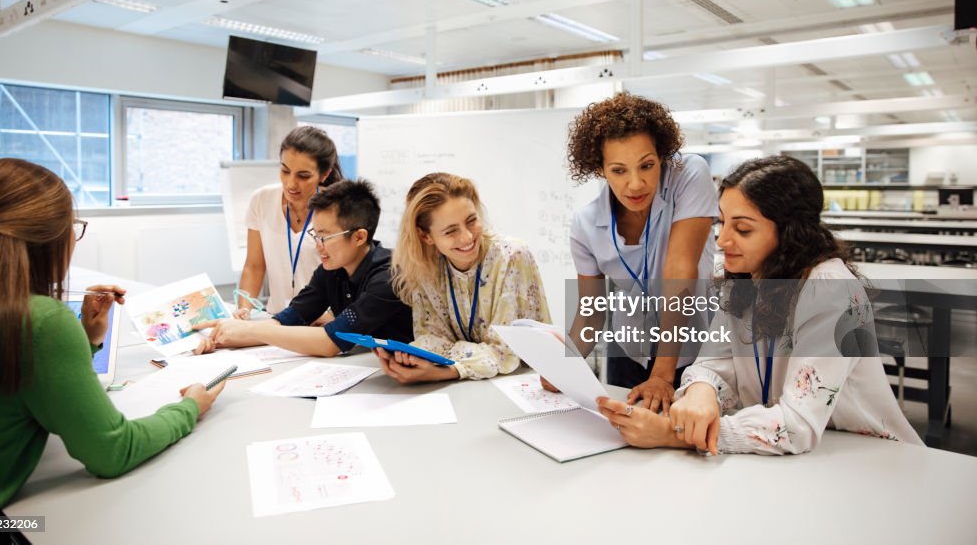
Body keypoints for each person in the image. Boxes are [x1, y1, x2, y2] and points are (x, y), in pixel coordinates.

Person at [0, 159, 223, 523]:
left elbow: (3, 383)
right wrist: (190, 409)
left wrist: (85, 339)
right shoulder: (40, 321)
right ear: (49, 240)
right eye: (74, 228)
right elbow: (112, 451)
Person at [596, 155, 923, 454]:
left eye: (742, 229)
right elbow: (713, 365)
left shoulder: (831, 291)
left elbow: (796, 426)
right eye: (721, 223)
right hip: (787, 462)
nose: (723, 241)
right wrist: (701, 390)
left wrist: (673, 432)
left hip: (869, 459)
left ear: (789, 233)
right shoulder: (743, 281)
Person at [564, 93, 717, 412]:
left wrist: (662, 375)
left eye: (646, 165)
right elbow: (592, 310)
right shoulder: (586, 224)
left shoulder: (688, 176)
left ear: (661, 155)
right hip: (627, 353)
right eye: (619, 170)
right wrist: (565, 367)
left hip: (689, 355)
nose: (635, 184)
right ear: (600, 168)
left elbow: (680, 268)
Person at [195, 179, 412, 357]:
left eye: (325, 237)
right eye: (315, 235)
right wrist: (223, 335)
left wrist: (249, 329)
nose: (318, 247)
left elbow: (330, 342)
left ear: (359, 237)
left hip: (413, 380)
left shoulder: (389, 275)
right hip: (371, 367)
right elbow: (287, 320)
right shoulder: (331, 269)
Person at [381, 172, 552, 383]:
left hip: (522, 384)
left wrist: (445, 371)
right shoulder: (426, 267)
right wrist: (409, 357)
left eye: (471, 221)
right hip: (464, 385)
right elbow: (432, 339)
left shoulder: (511, 256)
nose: (467, 237)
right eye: (451, 231)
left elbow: (505, 352)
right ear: (426, 236)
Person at [235, 126, 342, 318]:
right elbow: (254, 266)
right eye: (285, 171)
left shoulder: (338, 209)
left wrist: (334, 315)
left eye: (303, 176)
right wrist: (244, 309)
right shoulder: (262, 200)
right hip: (276, 318)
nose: (291, 183)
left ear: (324, 175)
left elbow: (349, 275)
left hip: (321, 321)